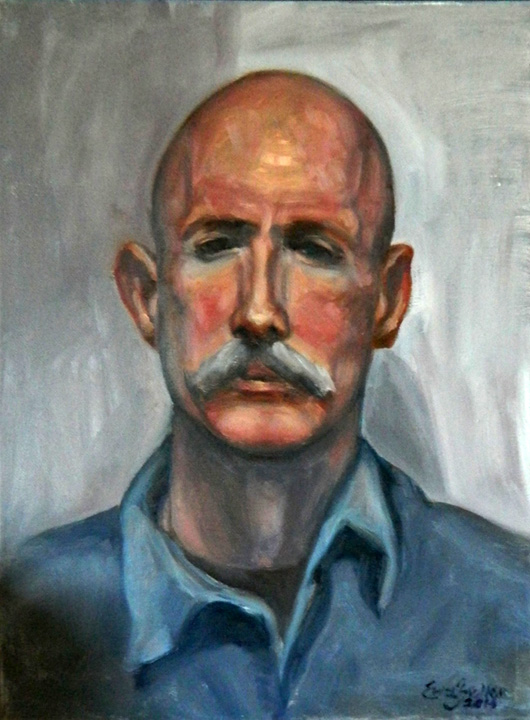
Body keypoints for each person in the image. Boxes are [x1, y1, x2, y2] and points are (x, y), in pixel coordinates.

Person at [2, 71, 529, 720]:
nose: (259, 312)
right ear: (146, 296)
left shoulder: (512, 609)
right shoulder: (24, 615)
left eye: (314, 250)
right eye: (216, 245)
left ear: (389, 300)